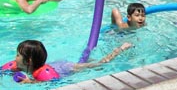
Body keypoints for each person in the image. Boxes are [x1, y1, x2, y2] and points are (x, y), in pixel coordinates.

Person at [2, 40, 132, 83]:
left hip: (65, 68)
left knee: (98, 65)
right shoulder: (19, 67)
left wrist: (30, 83)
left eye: (18, 55)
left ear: (28, 61)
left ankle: (120, 49)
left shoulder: (44, 74)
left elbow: (49, 83)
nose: (15, 57)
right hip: (54, 64)